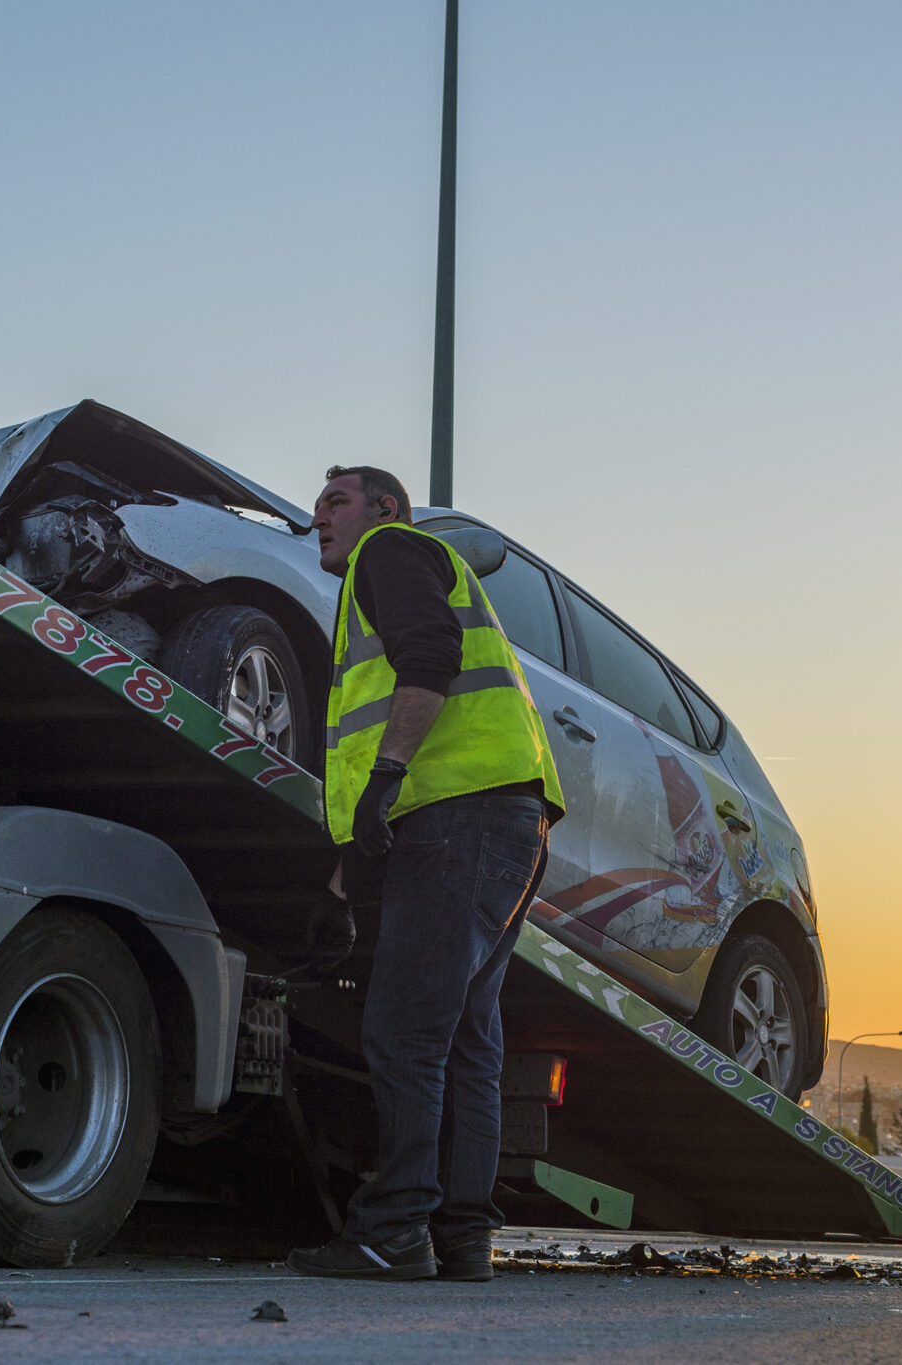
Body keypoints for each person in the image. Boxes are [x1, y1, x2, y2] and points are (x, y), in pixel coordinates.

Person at [288, 465, 565, 1283]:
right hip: (505, 819)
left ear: (386, 506)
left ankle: (395, 1228)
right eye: (316, 510)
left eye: (334, 502)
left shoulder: (393, 551)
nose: (320, 521)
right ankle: (461, 1237)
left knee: (405, 1032)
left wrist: (388, 773)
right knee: (467, 1041)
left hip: (461, 816)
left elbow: (430, 659)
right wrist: (342, 889)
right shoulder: (404, 566)